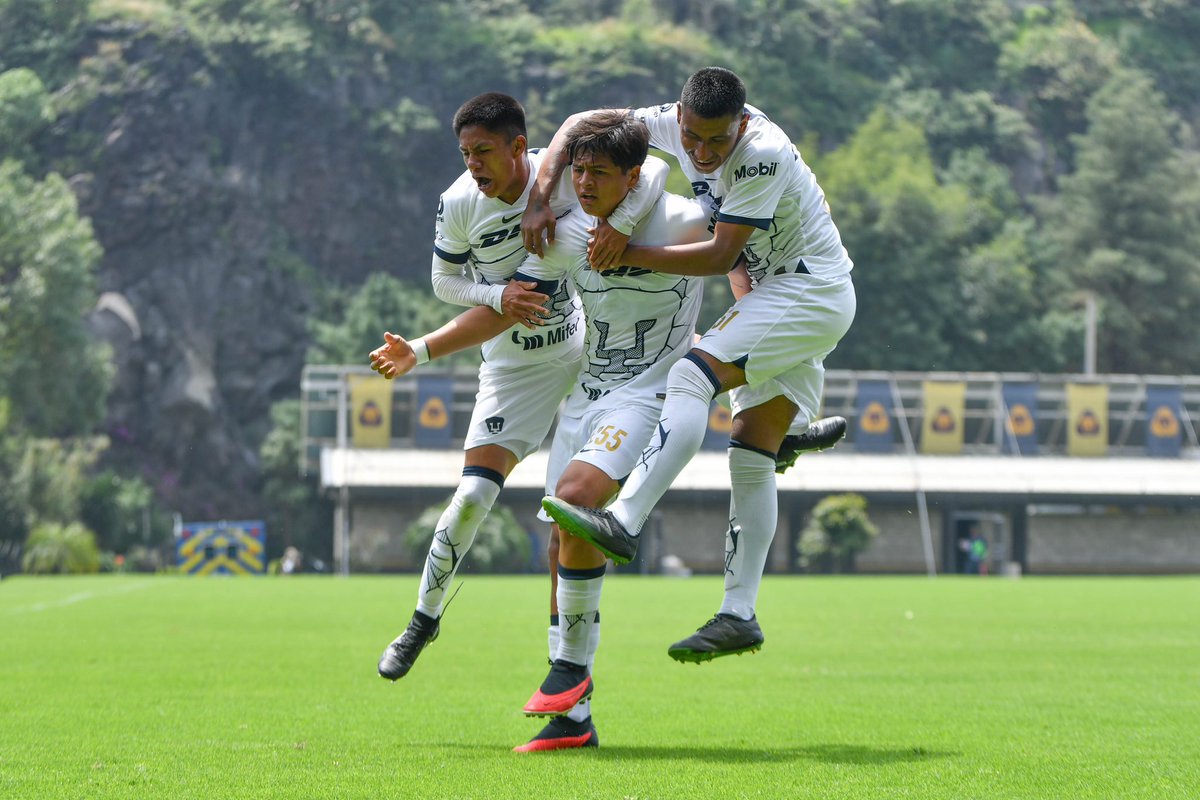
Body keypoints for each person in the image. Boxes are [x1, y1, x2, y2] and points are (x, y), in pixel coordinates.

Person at [371, 111, 711, 751]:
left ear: (632, 178)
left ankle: (569, 670)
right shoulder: (555, 231)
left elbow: (740, 254)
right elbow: (492, 302)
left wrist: (744, 366)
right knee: (560, 531)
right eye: (576, 171)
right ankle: (572, 718)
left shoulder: (686, 221)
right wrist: (421, 348)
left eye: (599, 174)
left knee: (576, 506)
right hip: (575, 387)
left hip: (637, 393)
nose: (582, 184)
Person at [529, 67, 857, 664]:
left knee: (689, 374)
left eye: (717, 141)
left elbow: (719, 253)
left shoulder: (764, 153)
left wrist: (623, 249)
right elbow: (582, 125)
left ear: (743, 123)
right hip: (771, 296)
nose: (701, 154)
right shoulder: (671, 126)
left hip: (806, 292)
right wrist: (539, 191)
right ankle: (739, 614)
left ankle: (625, 520)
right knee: (751, 452)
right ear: (678, 117)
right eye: (692, 138)